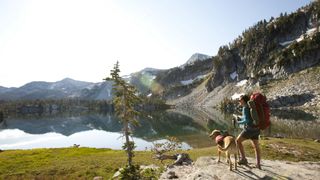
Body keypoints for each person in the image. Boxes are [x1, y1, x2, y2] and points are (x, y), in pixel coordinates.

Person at [236, 95, 261, 169]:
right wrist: (240, 118)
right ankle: (258, 164)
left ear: (243, 100)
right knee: (256, 146)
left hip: (249, 129)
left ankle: (244, 159)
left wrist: (238, 122)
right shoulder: (250, 107)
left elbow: (247, 120)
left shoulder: (245, 107)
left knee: (238, 141)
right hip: (257, 128)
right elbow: (247, 117)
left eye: (240, 100)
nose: (239, 101)